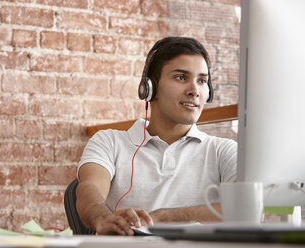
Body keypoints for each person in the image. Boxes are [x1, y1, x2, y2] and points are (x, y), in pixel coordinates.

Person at [76, 37, 237, 236]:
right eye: (181, 77)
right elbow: (89, 190)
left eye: (202, 81)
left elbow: (249, 210)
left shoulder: (225, 151)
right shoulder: (109, 141)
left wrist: (164, 218)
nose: (194, 91)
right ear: (149, 87)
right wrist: (102, 219)